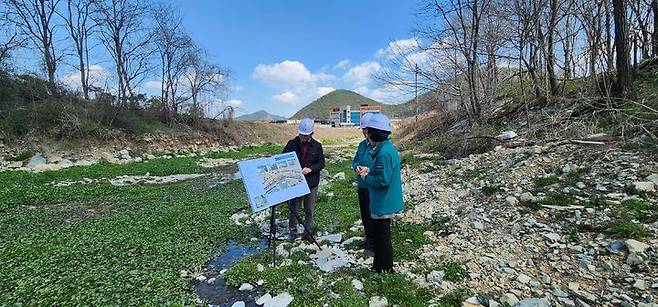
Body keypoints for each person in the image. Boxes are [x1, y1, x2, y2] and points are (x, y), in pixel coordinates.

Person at [358, 113, 404, 273]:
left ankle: (384, 268)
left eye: (368, 131)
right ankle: (380, 266)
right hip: (387, 200)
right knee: (382, 234)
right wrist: (370, 170)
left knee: (382, 236)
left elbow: (383, 180)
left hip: (383, 201)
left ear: (373, 133)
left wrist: (366, 177)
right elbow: (384, 173)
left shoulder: (383, 153)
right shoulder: (387, 148)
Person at [283, 118, 326, 242]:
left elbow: (322, 163)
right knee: (294, 209)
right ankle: (293, 231)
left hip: (311, 183)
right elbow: (283, 158)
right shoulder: (292, 143)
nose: (303, 137)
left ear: (312, 134)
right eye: (302, 135)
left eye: (306, 136)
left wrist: (311, 169)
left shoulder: (317, 146)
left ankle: (308, 232)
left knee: (309, 209)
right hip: (295, 182)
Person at [352, 112, 375, 256]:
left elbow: (381, 167)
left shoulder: (379, 146)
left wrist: (369, 170)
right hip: (362, 185)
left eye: (366, 130)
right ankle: (368, 238)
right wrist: (356, 167)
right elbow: (355, 161)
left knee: (373, 215)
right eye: (363, 130)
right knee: (365, 214)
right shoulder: (362, 145)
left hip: (372, 186)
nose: (364, 132)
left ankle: (372, 245)